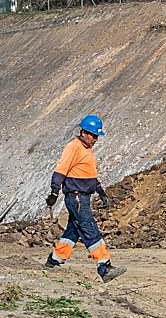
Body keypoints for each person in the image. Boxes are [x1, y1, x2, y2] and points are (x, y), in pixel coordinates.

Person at [44, 114, 126, 282]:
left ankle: (54, 260)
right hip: (76, 197)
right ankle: (104, 266)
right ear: (85, 132)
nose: (96, 139)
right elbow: (60, 170)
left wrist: (101, 192)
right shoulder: (73, 147)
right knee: (88, 228)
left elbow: (89, 176)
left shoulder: (87, 150)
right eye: (94, 135)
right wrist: (54, 192)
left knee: (73, 232)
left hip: (83, 196)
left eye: (97, 136)